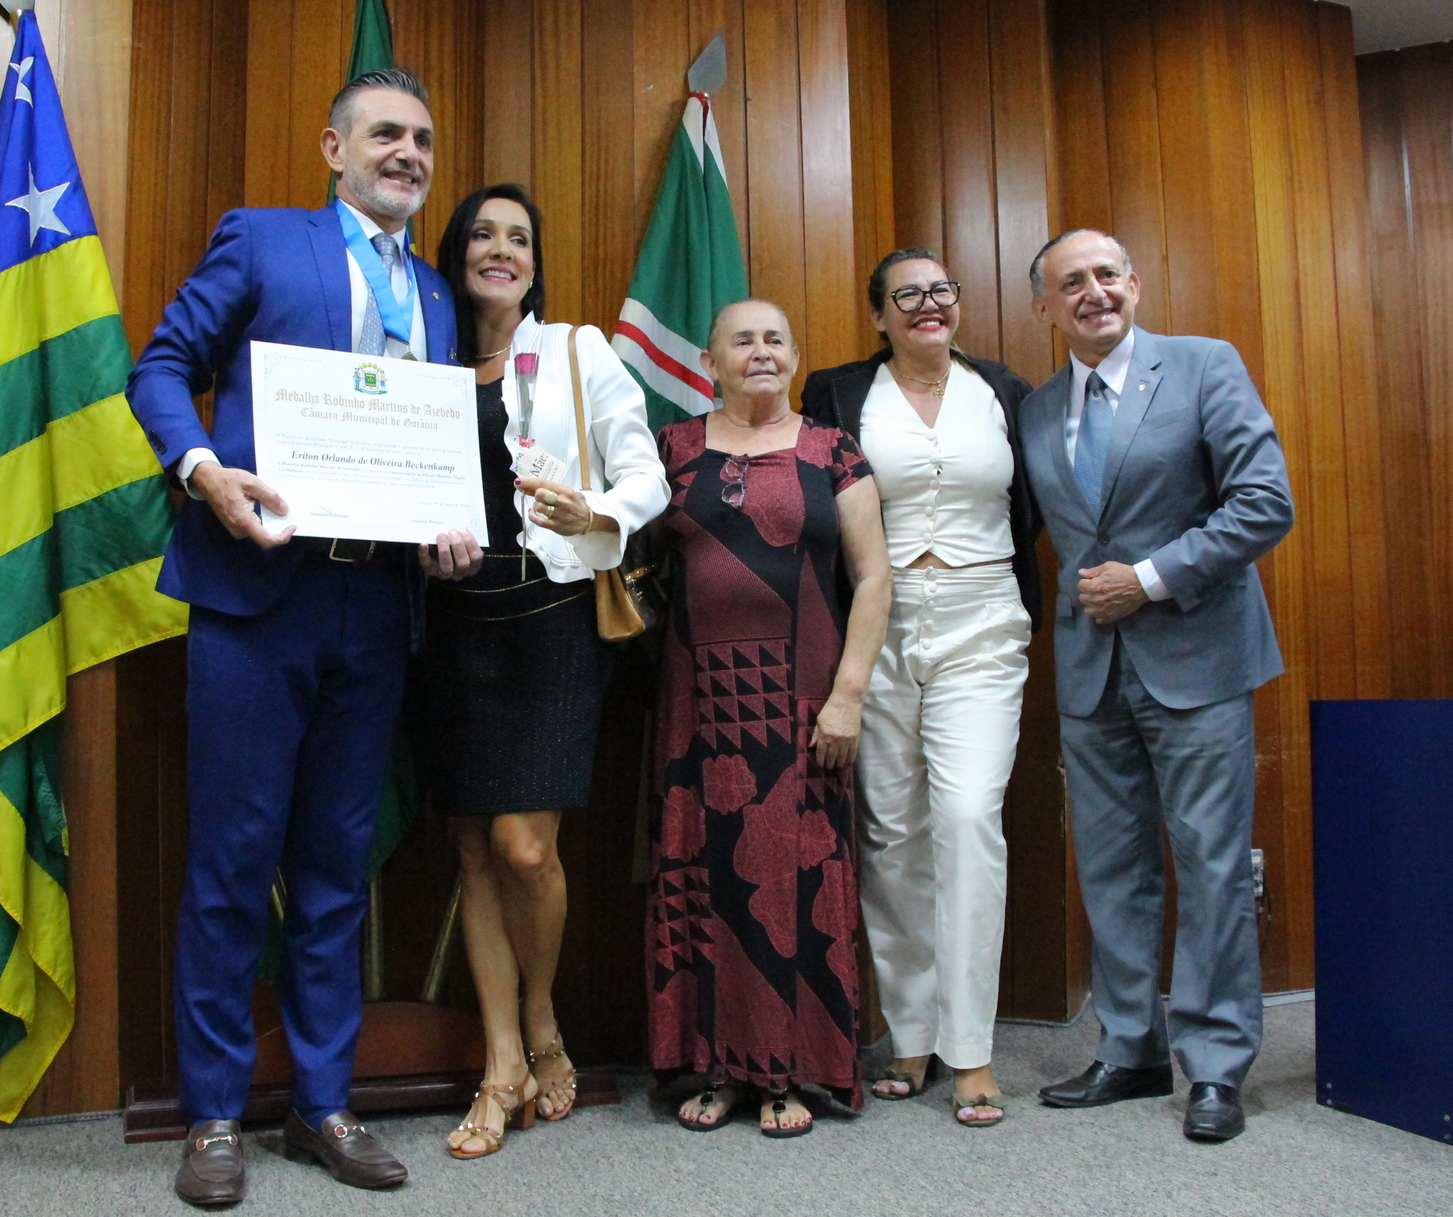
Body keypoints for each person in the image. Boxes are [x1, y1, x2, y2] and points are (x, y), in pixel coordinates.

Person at [127, 68, 483, 1208]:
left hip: (373, 610)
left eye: (423, 138)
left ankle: (323, 1104)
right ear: (334, 149)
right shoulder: (263, 240)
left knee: (336, 869)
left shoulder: (436, 295)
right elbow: (161, 366)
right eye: (386, 134)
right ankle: (214, 1114)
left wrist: (446, 533)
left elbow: (424, 450)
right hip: (253, 598)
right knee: (233, 863)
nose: (409, 153)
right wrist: (203, 470)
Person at [1018, 229, 1293, 1143]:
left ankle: (1215, 1066)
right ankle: (1131, 1048)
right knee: (1111, 870)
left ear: (1134, 283)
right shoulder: (1036, 410)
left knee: (1212, 865)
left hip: (1198, 659)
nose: (1093, 292)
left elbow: (1265, 502)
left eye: (1107, 274)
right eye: (1072, 283)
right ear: (1045, 307)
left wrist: (1149, 578)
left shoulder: (1205, 366)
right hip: (1091, 671)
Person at [419, 183, 667, 1159]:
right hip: (451, 622)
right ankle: (502, 1063)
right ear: (457, 253)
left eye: (519, 237)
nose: (502, 249)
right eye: (483, 233)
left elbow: (645, 474)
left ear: (534, 262)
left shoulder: (575, 350)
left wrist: (596, 511)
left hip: (553, 616)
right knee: (474, 849)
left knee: (525, 849)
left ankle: (542, 1015)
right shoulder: (422, 360)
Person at [799, 249, 1043, 1127]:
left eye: (941, 290)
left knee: (970, 817)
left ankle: (970, 1048)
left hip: (983, 623)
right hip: (878, 627)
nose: (927, 304)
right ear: (879, 316)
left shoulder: (1004, 392)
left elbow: (1037, 503)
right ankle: (911, 1034)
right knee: (892, 831)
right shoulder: (838, 394)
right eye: (907, 294)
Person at [648, 299, 892, 1138]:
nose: (761, 351)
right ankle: (718, 1064)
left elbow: (874, 577)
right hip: (696, 706)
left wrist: (848, 696)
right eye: (742, 339)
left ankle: (790, 1067)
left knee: (794, 881)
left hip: (803, 703)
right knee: (704, 877)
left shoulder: (833, 450)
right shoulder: (673, 449)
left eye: (776, 338)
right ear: (709, 360)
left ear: (794, 356)